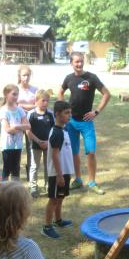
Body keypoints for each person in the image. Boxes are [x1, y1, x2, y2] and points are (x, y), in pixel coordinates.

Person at [57, 51, 111, 195]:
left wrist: (96, 111)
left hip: (87, 122)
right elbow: (60, 92)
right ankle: (78, 180)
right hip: (72, 123)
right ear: (71, 63)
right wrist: (64, 109)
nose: (79, 64)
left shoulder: (91, 78)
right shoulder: (68, 78)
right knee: (74, 153)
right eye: (76, 62)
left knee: (91, 152)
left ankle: (92, 182)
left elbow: (107, 94)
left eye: (81, 61)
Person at [41, 100, 74, 239]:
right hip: (57, 174)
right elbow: (54, 155)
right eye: (66, 113)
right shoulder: (56, 133)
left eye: (70, 113)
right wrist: (59, 176)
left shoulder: (63, 130)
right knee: (53, 199)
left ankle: (58, 220)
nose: (69, 115)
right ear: (57, 114)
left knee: (60, 197)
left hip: (64, 172)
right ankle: (47, 227)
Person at [0, 84, 30, 182]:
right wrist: (20, 127)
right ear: (6, 94)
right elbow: (8, 129)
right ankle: (4, 189)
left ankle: (15, 190)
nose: (16, 97)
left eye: (17, 95)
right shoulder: (3, 111)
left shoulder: (19, 110)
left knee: (16, 168)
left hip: (18, 145)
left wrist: (16, 126)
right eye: (14, 94)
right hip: (7, 145)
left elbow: (28, 126)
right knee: (7, 169)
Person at [26, 89, 55, 198]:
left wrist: (48, 142)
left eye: (47, 101)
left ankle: (48, 184)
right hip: (35, 145)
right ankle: (33, 186)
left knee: (48, 165)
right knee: (34, 166)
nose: (45, 103)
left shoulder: (50, 114)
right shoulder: (31, 114)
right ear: (36, 101)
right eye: (43, 101)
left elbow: (54, 129)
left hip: (48, 145)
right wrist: (38, 141)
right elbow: (28, 131)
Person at [17, 65, 38, 182]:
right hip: (18, 122)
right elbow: (13, 105)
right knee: (17, 147)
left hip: (31, 122)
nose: (26, 77)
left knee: (31, 147)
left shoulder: (35, 89)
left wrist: (22, 106)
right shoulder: (15, 89)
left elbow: (38, 104)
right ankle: (16, 171)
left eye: (28, 75)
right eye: (24, 75)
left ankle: (30, 170)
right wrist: (28, 106)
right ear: (19, 76)